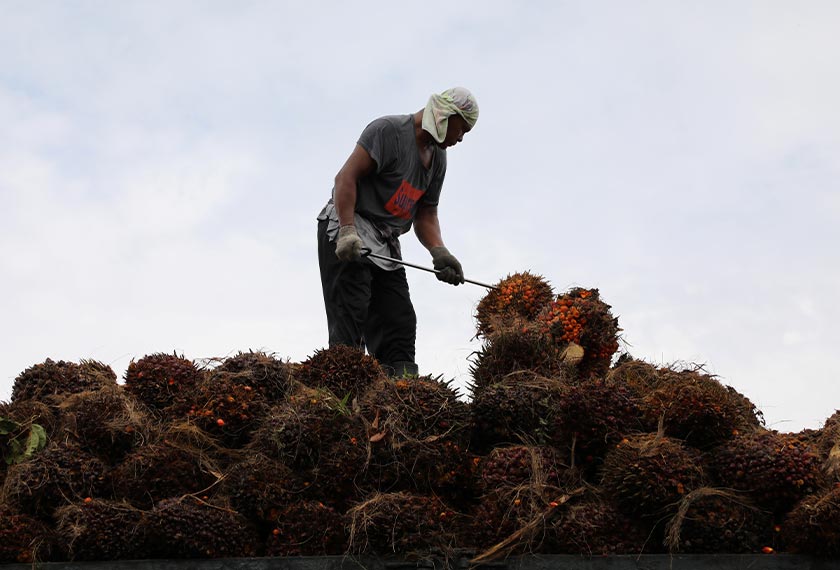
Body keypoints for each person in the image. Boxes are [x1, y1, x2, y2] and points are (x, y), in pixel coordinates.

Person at [317, 87, 479, 378]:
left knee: (399, 320)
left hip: (385, 242)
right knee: (352, 310)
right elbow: (345, 178)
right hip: (349, 227)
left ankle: (400, 400)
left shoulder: (438, 159)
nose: (461, 138)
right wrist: (347, 230)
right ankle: (344, 390)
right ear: (446, 115)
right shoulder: (388, 132)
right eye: (462, 129)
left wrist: (440, 253)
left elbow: (426, 214)